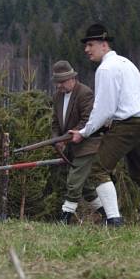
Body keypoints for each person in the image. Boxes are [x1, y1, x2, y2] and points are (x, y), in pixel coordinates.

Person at [69, 24, 140, 229]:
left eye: (90, 45)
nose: (86, 50)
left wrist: (84, 132)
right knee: (138, 169)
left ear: (104, 45)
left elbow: (104, 109)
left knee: (98, 169)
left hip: (130, 123)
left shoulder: (106, 69)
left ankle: (114, 220)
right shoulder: (126, 63)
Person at [49, 60, 105, 224]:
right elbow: (55, 122)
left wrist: (69, 135)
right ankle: (108, 214)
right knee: (86, 187)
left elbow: (88, 120)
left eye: (62, 82)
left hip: (87, 145)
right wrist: (56, 139)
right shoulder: (57, 96)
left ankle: (64, 219)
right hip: (70, 147)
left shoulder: (85, 93)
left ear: (72, 78)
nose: (59, 86)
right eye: (57, 83)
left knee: (73, 182)